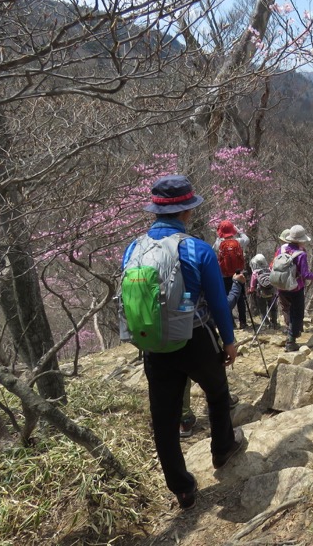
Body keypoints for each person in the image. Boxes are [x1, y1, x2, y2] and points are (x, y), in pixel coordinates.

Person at [122, 175, 245, 511]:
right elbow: (218, 302)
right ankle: (222, 449)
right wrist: (230, 341)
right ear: (186, 211)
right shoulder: (197, 248)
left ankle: (183, 489)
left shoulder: (134, 248)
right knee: (218, 393)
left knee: (165, 417)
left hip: (153, 345)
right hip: (195, 338)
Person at [180, 271, 246, 439]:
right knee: (216, 383)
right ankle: (224, 442)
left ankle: (185, 420)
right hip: (198, 334)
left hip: (162, 336)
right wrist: (237, 285)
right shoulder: (197, 261)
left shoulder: (139, 253)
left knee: (181, 380)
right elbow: (223, 305)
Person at [276, 224, 313, 351]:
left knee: (288, 311)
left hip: (281, 287)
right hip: (296, 288)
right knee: (297, 314)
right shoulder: (301, 254)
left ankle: (290, 335)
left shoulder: (281, 249)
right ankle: (291, 341)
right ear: (300, 240)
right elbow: (305, 275)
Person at [213, 220, 250, 330]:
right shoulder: (238, 241)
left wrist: (218, 236)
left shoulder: (219, 244)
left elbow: (214, 248)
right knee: (240, 298)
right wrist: (239, 231)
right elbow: (247, 239)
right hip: (238, 273)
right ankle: (243, 322)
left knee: (227, 298)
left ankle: (231, 323)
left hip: (224, 275)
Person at [249, 253, 279, 330]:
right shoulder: (270, 270)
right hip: (272, 292)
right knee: (273, 308)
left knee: (262, 309)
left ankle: (266, 323)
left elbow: (252, 287)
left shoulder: (255, 273)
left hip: (260, 294)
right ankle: (274, 323)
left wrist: (251, 290)